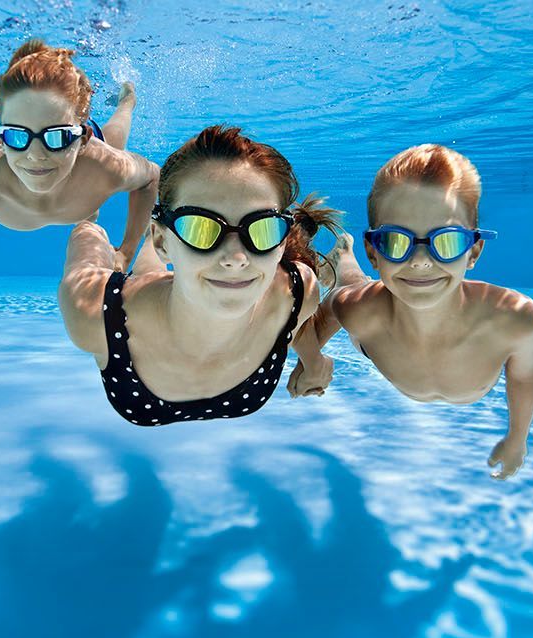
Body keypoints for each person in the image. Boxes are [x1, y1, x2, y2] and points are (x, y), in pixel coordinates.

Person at [58, 125, 340, 426]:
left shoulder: (296, 291)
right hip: (137, 292)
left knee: (162, 274)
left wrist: (314, 362)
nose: (235, 259)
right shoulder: (93, 314)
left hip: (169, 285)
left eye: (262, 229)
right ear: (161, 241)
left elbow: (294, 325)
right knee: (90, 233)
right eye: (200, 228)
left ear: (282, 242)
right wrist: (87, 225)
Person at [293, 145, 533, 479]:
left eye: (448, 241)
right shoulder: (359, 311)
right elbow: (319, 315)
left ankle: (347, 259)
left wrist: (518, 438)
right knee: (347, 287)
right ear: (375, 251)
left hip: (378, 303)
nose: (421, 261)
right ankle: (346, 257)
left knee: (358, 287)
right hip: (374, 327)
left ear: (474, 251)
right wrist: (310, 362)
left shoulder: (515, 319)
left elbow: (524, 377)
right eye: (396, 242)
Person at [0, 40, 158, 275]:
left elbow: (151, 177)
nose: (35, 156)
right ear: (1, 136)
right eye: (15, 135)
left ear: (83, 138)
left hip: (85, 162)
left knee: (119, 127)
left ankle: (128, 99)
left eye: (56, 136)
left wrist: (126, 251)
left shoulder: (105, 167)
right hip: (24, 163)